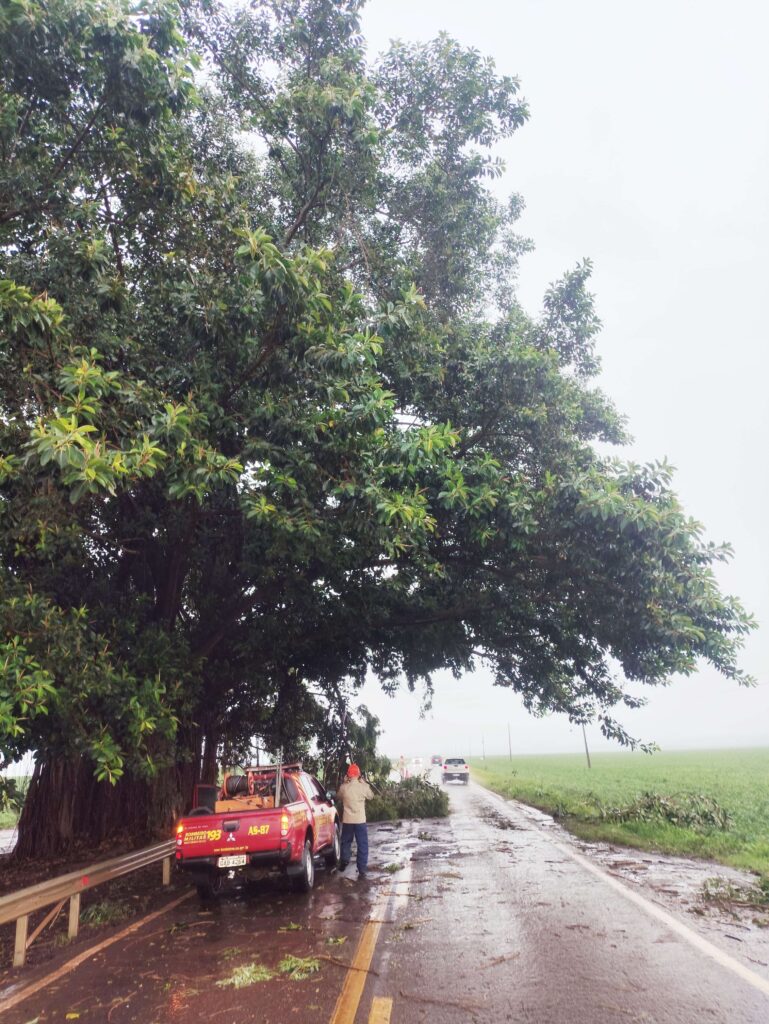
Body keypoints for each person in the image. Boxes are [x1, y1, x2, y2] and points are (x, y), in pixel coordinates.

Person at [336, 763, 374, 878]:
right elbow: (371, 796)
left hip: (347, 821)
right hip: (360, 821)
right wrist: (364, 783)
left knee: (345, 842)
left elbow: (338, 796)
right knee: (362, 844)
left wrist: (344, 782)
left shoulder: (344, 788)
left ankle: (344, 861)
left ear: (348, 774)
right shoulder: (363, 787)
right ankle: (362, 869)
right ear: (358, 775)